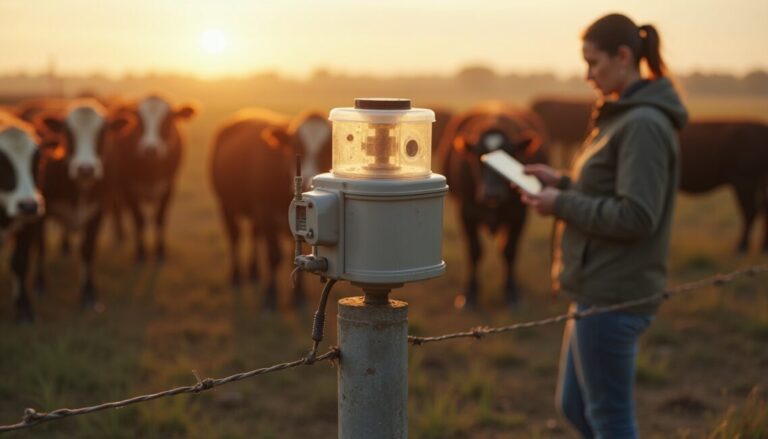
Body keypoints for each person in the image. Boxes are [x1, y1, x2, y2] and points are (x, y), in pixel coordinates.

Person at [520, 13, 688, 438]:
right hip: (594, 285)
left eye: (593, 63)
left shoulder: (643, 124)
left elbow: (636, 215)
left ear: (624, 56)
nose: (587, 75)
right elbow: (608, 189)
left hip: (614, 294)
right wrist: (561, 181)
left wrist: (560, 202)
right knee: (575, 407)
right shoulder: (621, 116)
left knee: (609, 420)